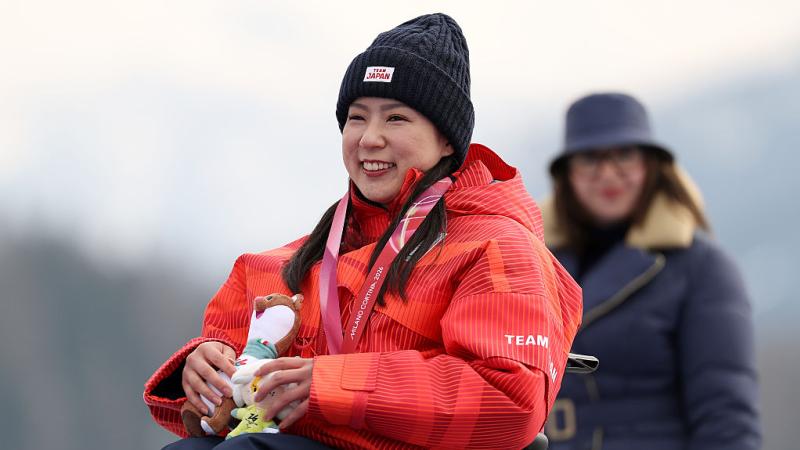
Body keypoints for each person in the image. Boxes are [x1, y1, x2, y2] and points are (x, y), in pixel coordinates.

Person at [144, 13, 582, 450]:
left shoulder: (498, 250)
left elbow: (508, 399)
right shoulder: (283, 264)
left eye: (395, 119)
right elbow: (235, 355)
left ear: (448, 140)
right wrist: (204, 368)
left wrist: (333, 385)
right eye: (357, 118)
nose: (369, 138)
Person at [540, 92, 761, 450]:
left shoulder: (702, 269)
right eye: (589, 158)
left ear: (651, 165)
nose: (608, 172)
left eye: (624, 154)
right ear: (567, 174)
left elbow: (726, 415)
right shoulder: (531, 263)